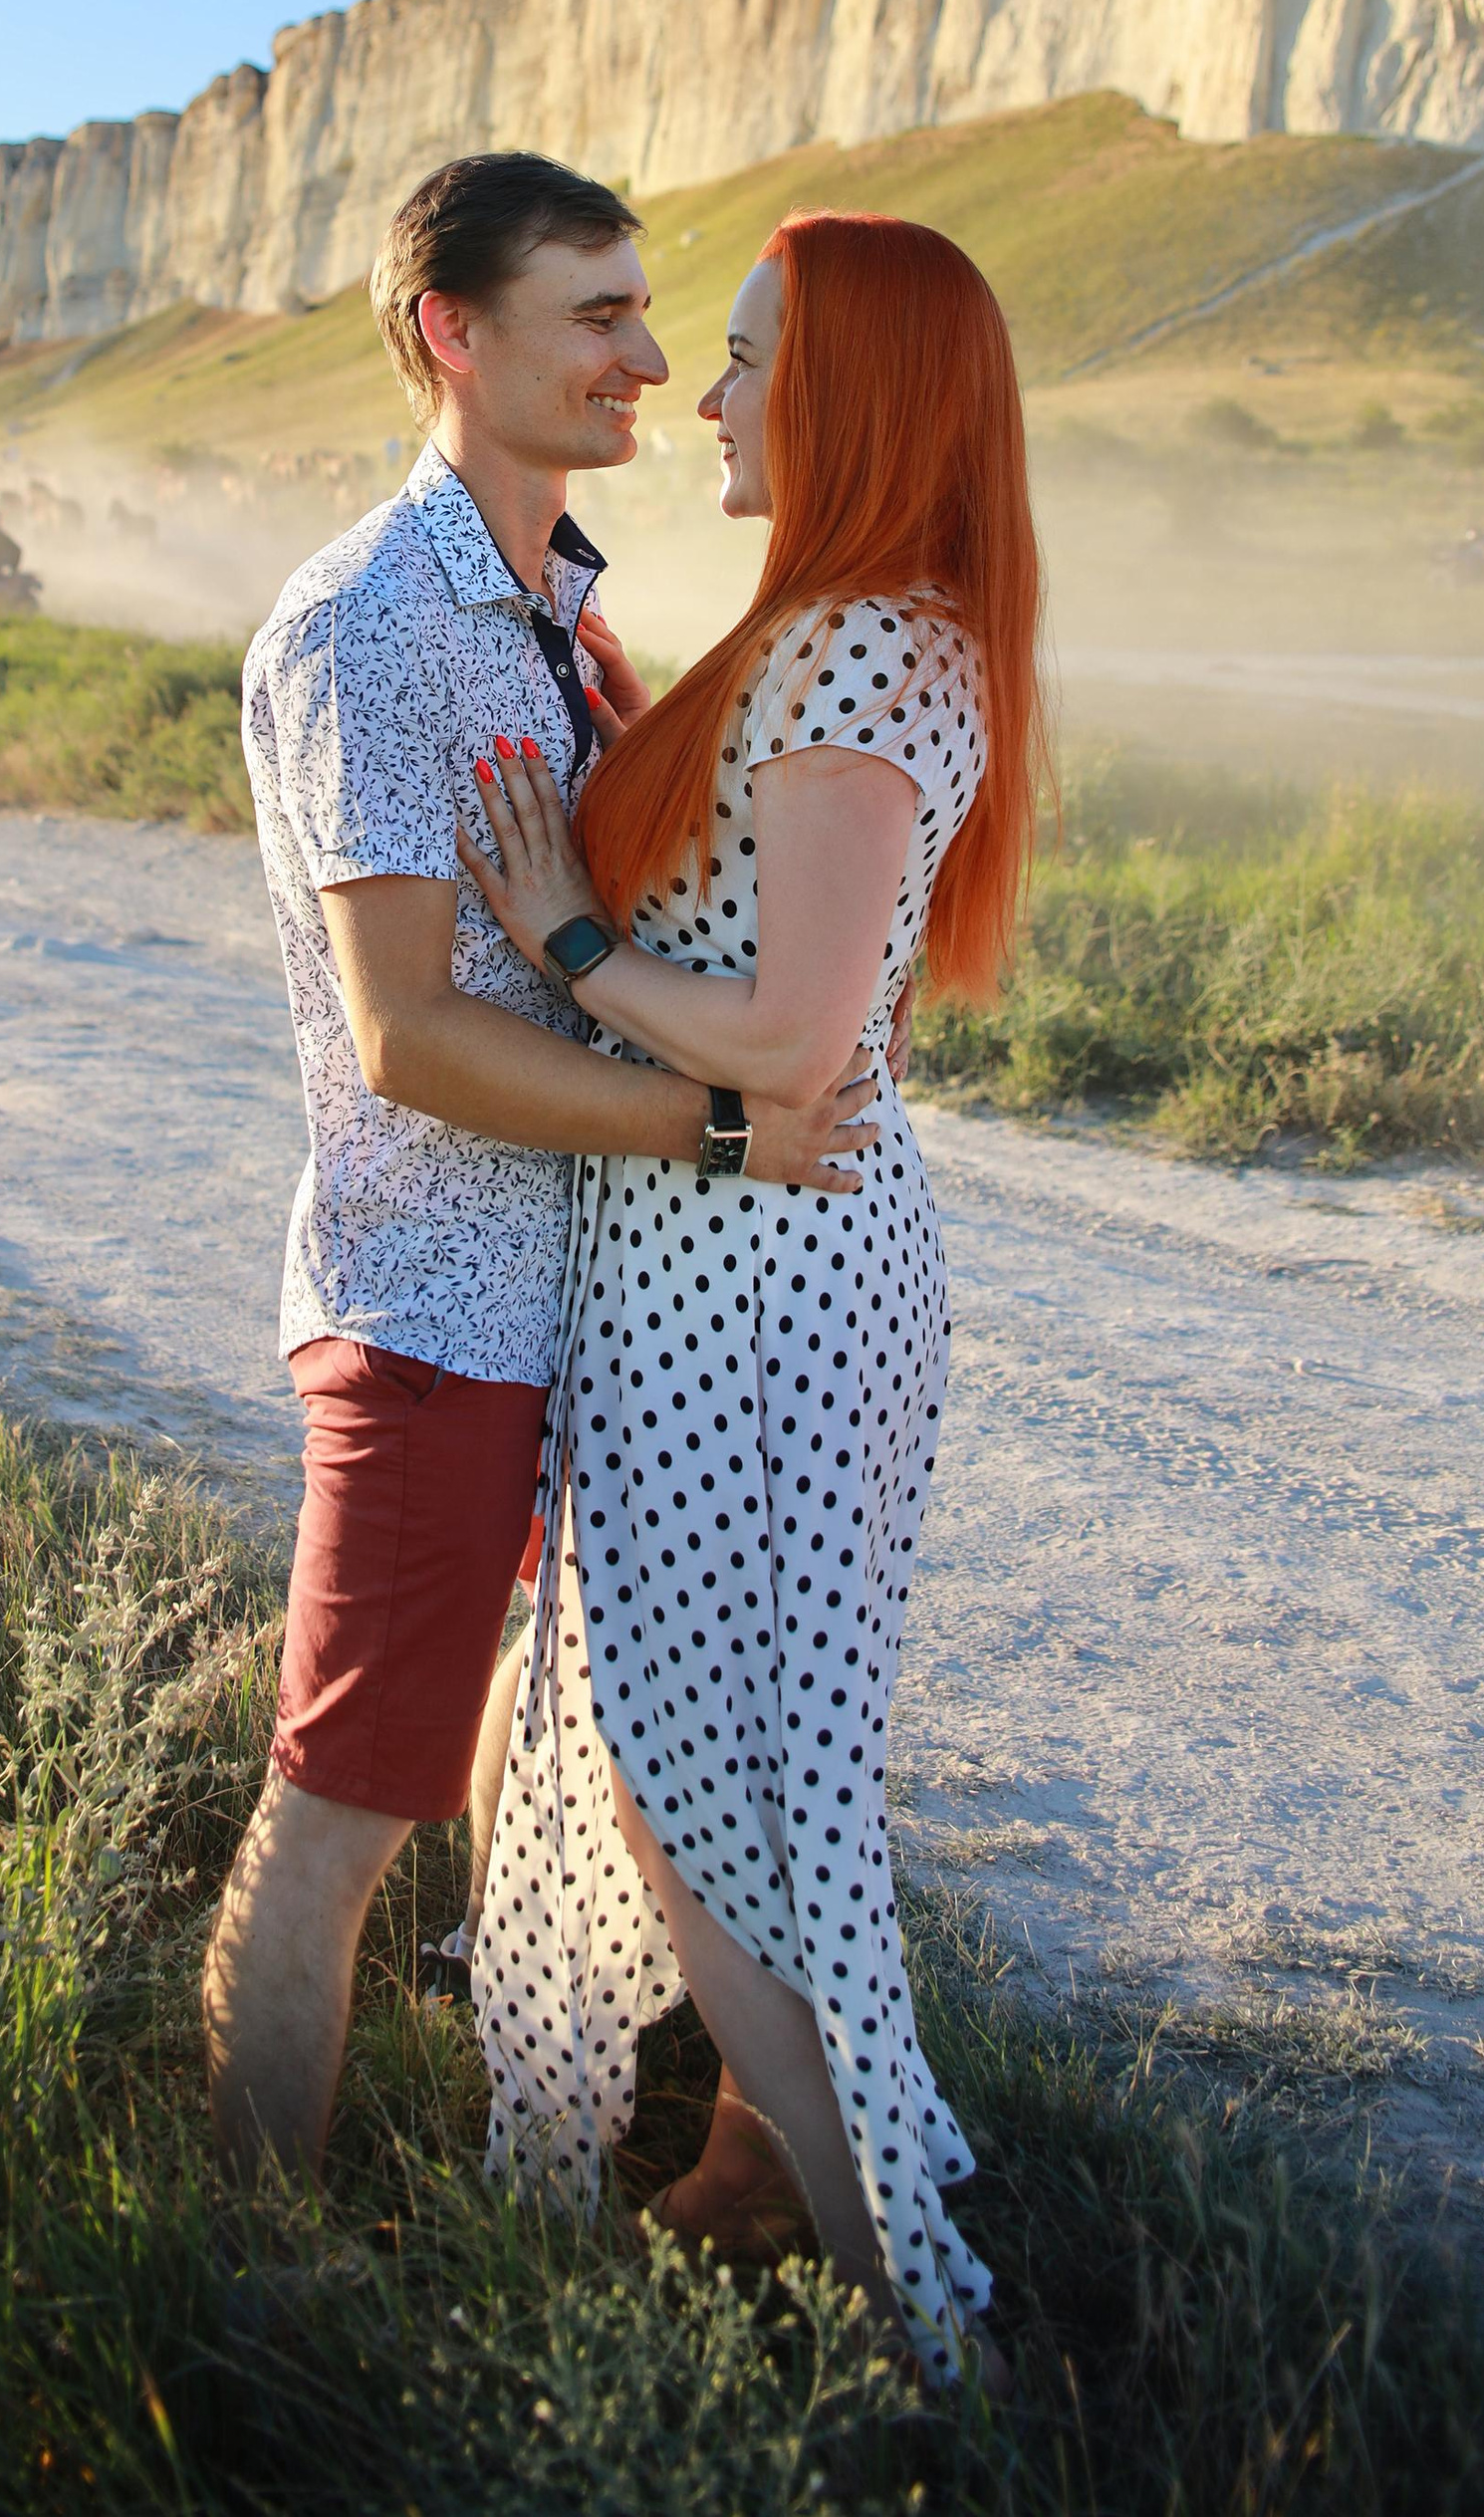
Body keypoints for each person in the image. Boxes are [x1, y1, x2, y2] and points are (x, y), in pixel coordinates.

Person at [206, 155, 879, 2184]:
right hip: (440, 1319)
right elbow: (408, 1036)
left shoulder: (549, 606)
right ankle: (238, 2262)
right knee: (337, 1811)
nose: (648, 358)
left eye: (645, 312)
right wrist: (725, 1125)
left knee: (583, 1725)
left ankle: (552, 2105)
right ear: (451, 332)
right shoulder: (372, 626)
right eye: (596, 312)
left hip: (583, 1303)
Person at [459, 211, 1044, 2386]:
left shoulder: (863, 650)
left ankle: (904, 2312)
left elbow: (796, 1041)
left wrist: (568, 940)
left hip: (759, 1286)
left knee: (704, 1792)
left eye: (742, 356)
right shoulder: (851, 635)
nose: (701, 394)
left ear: (853, 392)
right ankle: (803, 2192)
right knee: (723, 1775)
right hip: (743, 1273)